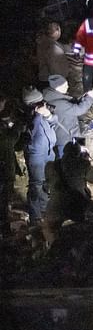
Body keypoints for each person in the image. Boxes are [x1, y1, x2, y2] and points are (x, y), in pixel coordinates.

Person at [43, 141, 93, 247]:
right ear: (78, 153)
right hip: (78, 205)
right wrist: (86, 161)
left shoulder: (51, 166)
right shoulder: (83, 164)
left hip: (57, 206)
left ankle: (53, 247)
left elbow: (45, 187)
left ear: (64, 152)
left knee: (48, 227)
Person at [22, 89, 57, 224]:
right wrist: (37, 115)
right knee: (36, 185)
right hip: (36, 155)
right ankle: (35, 217)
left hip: (49, 151)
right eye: (40, 102)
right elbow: (31, 133)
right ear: (32, 104)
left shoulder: (42, 113)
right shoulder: (26, 117)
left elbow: (54, 122)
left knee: (47, 182)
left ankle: (45, 210)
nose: (44, 104)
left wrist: (47, 115)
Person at [42, 75, 93, 157]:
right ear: (57, 87)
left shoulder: (51, 98)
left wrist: (84, 98)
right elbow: (79, 110)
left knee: (73, 159)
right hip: (67, 139)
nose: (68, 86)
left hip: (68, 132)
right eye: (65, 85)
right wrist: (90, 98)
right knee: (68, 161)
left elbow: (71, 107)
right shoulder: (60, 103)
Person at [0, 99, 18, 233]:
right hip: (4, 168)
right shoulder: (4, 132)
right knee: (3, 199)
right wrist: (16, 129)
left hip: (5, 167)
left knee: (5, 200)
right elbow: (8, 142)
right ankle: (5, 230)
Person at [35, 21, 72, 87]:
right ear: (56, 31)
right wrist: (59, 83)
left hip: (47, 78)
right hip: (52, 81)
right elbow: (53, 66)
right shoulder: (52, 47)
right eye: (58, 29)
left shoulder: (45, 42)